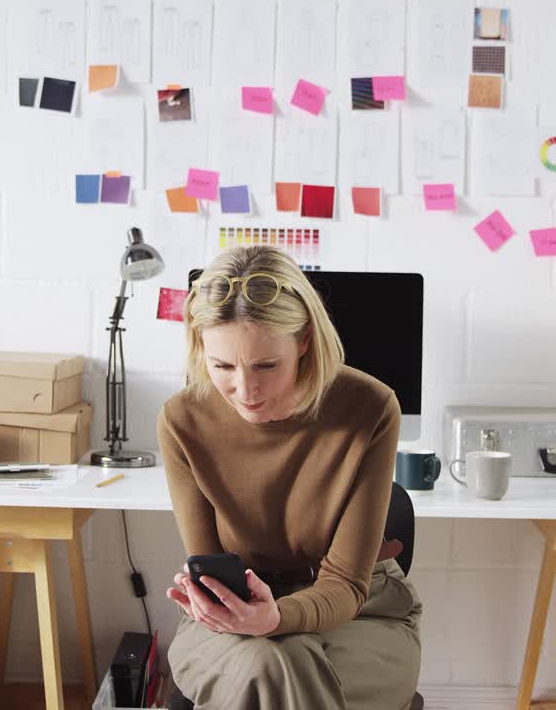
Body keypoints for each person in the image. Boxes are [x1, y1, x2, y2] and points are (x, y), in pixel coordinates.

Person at [158, 245, 422, 710]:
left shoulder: (370, 407)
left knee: (278, 669)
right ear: (201, 348)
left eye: (266, 365)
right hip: (231, 617)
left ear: (303, 341)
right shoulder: (183, 419)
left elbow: (345, 584)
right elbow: (209, 564)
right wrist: (225, 604)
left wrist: (277, 618)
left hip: (361, 616)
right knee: (273, 666)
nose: (246, 390)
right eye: (222, 367)